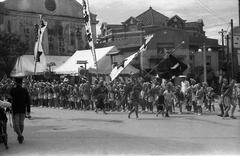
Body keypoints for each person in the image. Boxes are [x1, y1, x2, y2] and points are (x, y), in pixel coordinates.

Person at [10, 77, 31, 144]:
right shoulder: (25, 90)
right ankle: (20, 136)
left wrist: (8, 107)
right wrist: (28, 110)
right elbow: (28, 100)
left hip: (15, 109)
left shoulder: (13, 90)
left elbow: (9, 99)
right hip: (22, 108)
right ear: (21, 83)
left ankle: (20, 135)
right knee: (21, 123)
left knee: (16, 124)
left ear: (15, 82)